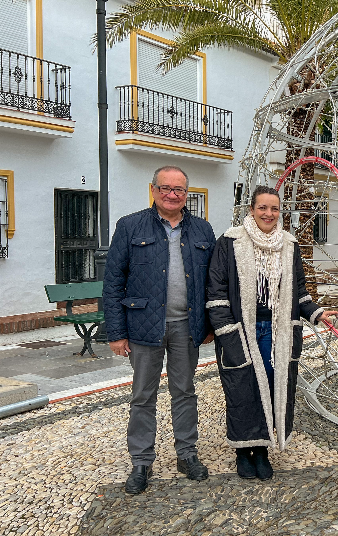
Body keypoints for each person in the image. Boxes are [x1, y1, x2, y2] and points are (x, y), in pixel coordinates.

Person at [206, 185, 338, 480]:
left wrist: (317, 313)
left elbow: (299, 292)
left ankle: (263, 450)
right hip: (241, 330)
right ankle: (243, 450)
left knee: (273, 386)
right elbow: (216, 292)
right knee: (242, 388)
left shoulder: (289, 245)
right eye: (263, 207)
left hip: (277, 332)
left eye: (274, 208)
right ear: (251, 209)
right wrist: (226, 330)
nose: (269, 214)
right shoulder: (230, 242)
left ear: (280, 212)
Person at [104, 165, 217, 495]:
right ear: (153, 190)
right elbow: (113, 282)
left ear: (186, 195)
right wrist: (115, 332)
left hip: (187, 327)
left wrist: (208, 324)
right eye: (165, 188)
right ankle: (141, 461)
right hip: (142, 327)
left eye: (179, 190)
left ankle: (187, 454)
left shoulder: (202, 230)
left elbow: (211, 282)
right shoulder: (129, 226)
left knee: (185, 391)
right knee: (143, 396)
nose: (172, 194)